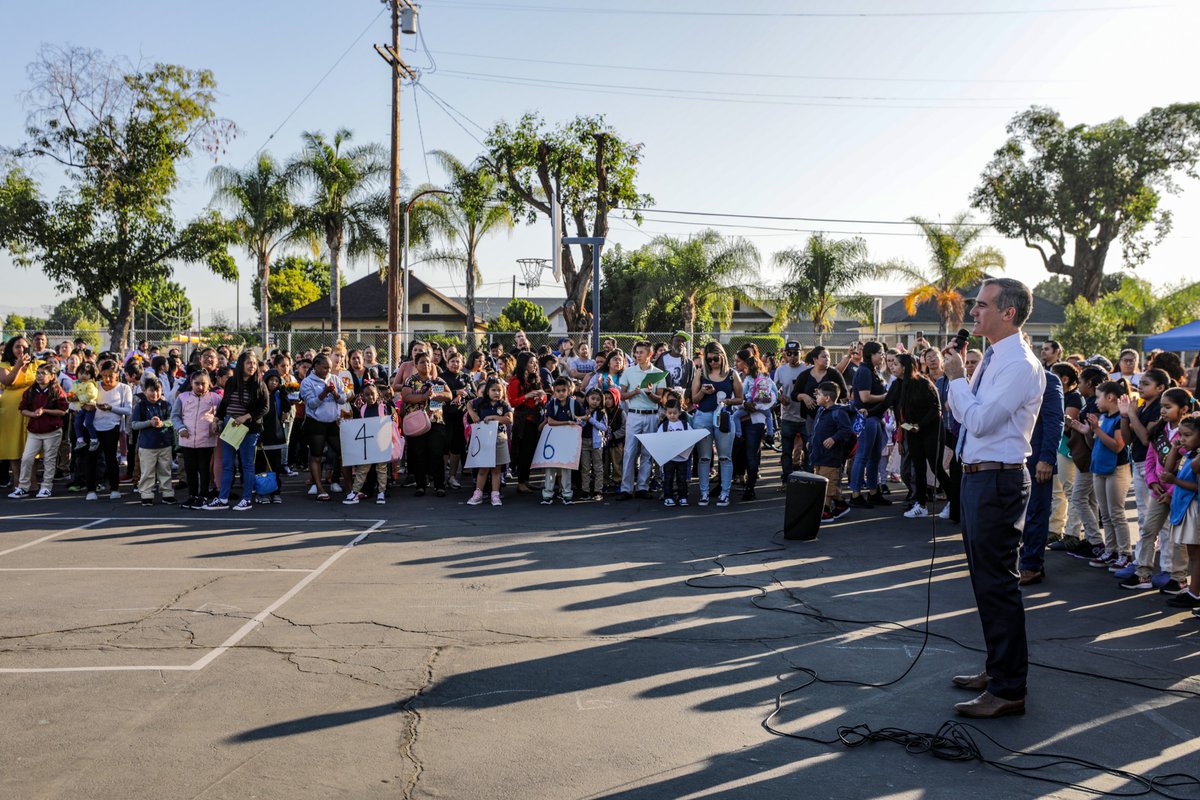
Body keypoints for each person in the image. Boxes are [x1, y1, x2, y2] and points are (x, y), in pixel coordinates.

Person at [943, 277, 1045, 719]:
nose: (972, 313)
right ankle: (997, 669)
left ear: (1008, 313)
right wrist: (961, 378)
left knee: (997, 584)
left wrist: (955, 380)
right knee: (985, 583)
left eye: (981, 305)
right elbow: (968, 418)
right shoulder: (994, 357)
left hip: (998, 481)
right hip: (979, 479)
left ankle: (1008, 688)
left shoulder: (1019, 363)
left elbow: (980, 421)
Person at [1122, 387, 1196, 593]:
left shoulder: (1189, 433)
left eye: (1168, 407)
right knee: (1148, 530)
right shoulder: (1158, 430)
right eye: (1162, 406)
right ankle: (1142, 573)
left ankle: (1178, 577)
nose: (1162, 411)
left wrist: (1170, 491)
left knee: (1178, 537)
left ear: (1183, 409)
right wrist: (1153, 482)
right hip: (1157, 491)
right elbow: (1150, 460)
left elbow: (1186, 468)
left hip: (1178, 494)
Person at [1016, 364, 1064, 585]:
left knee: (1035, 512)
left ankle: (1031, 565)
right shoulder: (1004, 375)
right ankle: (1021, 562)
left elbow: (1055, 422)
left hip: (1037, 460)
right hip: (1010, 456)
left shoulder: (1048, 380)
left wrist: (1047, 459)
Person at [207, 351, 268, 511]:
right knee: (227, 464)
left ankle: (246, 499)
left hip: (248, 428)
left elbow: (265, 408)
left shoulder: (259, 384)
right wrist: (216, 419)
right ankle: (223, 498)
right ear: (241, 364)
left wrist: (246, 416)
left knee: (247, 464)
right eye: (249, 363)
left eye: (254, 363)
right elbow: (225, 403)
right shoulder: (232, 382)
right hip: (230, 425)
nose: (252, 366)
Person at [690, 343, 743, 507]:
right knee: (704, 458)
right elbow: (694, 399)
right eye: (709, 359)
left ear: (722, 356)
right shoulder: (701, 372)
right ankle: (704, 493)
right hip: (703, 417)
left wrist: (727, 401)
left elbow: (741, 398)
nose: (712, 362)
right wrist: (703, 392)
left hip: (724, 417)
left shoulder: (732, 374)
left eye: (715, 358)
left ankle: (725, 493)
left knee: (725, 457)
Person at [618, 341, 668, 500]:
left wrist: (648, 393)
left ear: (649, 355)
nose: (637, 355)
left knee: (647, 453)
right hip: (634, 414)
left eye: (641, 352)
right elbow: (622, 395)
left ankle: (642, 487)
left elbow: (660, 399)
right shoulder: (628, 371)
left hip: (651, 414)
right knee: (629, 452)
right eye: (636, 352)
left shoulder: (658, 373)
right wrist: (635, 392)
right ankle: (626, 489)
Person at [9, 363, 68, 499]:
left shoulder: (57, 392)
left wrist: (45, 411)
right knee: (27, 458)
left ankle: (46, 487)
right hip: (34, 431)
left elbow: (62, 411)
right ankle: (23, 487)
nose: (39, 376)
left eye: (43, 373)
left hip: (52, 431)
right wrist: (32, 414)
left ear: (52, 376)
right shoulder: (30, 391)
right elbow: (22, 409)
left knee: (49, 460)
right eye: (38, 373)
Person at [1161, 416, 1200, 610]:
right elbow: (1167, 472)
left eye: (1188, 435)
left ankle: (1194, 593)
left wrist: (1175, 481)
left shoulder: (1197, 458)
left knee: (1196, 554)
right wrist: (1175, 450)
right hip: (1184, 506)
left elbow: (1196, 487)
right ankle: (1193, 591)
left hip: (1193, 507)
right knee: (1193, 553)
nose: (1183, 439)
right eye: (1181, 435)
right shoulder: (1189, 453)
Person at [847, 341, 891, 509]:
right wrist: (887, 397)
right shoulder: (864, 371)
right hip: (868, 419)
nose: (883, 356)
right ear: (871, 354)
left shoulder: (874, 371)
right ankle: (855, 494)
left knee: (875, 458)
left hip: (876, 419)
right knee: (863, 457)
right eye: (880, 353)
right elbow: (865, 398)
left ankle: (873, 492)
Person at [402, 351, 452, 497]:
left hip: (435, 421)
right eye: (422, 362)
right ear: (416, 365)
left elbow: (449, 396)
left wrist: (436, 395)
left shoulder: (437, 381)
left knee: (436, 453)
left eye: (428, 362)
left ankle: (439, 485)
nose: (426, 365)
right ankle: (420, 485)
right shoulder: (411, 381)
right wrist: (423, 397)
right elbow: (406, 397)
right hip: (417, 423)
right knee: (419, 454)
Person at [300, 354, 349, 501]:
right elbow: (312, 403)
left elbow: (343, 399)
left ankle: (350, 487)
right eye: (325, 367)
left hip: (333, 422)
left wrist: (334, 393)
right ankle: (319, 488)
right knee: (316, 456)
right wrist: (324, 392)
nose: (328, 370)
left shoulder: (335, 379)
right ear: (316, 367)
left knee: (343, 454)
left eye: (329, 367)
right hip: (316, 422)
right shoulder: (307, 382)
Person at [85, 361, 133, 502]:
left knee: (110, 458)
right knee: (91, 458)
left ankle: (114, 488)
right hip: (93, 428)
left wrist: (110, 408)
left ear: (117, 374)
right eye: (104, 375)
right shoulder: (94, 386)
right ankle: (91, 489)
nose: (107, 379)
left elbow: (128, 410)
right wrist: (87, 406)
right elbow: (81, 402)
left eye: (111, 375)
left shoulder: (124, 388)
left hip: (112, 427)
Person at [172, 369, 220, 508]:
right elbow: (175, 415)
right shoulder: (183, 397)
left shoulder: (215, 398)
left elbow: (221, 415)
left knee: (204, 469)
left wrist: (216, 424)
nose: (200, 387)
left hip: (206, 440)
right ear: (191, 383)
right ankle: (192, 495)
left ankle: (203, 496)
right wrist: (181, 428)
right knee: (190, 469)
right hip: (187, 439)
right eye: (196, 383)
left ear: (209, 384)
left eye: (203, 384)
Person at [736, 347, 777, 501]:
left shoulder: (747, 379)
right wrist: (764, 405)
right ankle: (749, 487)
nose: (737, 364)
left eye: (739, 361)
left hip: (749, 420)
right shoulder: (766, 378)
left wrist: (748, 404)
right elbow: (775, 395)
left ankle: (749, 487)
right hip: (758, 420)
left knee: (750, 455)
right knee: (750, 454)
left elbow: (740, 399)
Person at [809, 382, 853, 521]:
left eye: (819, 394)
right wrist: (811, 440)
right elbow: (816, 428)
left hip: (831, 456)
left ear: (827, 398)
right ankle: (841, 505)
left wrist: (834, 438)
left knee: (827, 485)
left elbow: (846, 430)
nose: (816, 397)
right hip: (819, 454)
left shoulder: (838, 412)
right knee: (827, 483)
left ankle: (825, 511)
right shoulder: (821, 411)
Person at [1, 336, 42, 482]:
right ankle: (17, 481)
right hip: (11, 409)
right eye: (17, 346)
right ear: (11, 349)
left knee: (32, 445)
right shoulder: (4, 364)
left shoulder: (36, 364)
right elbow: (7, 381)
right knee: (14, 444)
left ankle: (32, 481)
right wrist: (18, 365)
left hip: (32, 407)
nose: (21, 349)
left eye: (24, 347)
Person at [342, 381, 390, 506]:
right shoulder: (362, 409)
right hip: (367, 444)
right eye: (367, 395)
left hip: (381, 443)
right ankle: (355, 491)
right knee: (362, 469)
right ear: (362, 396)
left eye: (372, 394)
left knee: (381, 469)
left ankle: (381, 492)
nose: (370, 397)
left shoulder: (382, 407)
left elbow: (387, 424)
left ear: (377, 394)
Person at [466, 379, 513, 507]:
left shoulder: (503, 405)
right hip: (483, 438)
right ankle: (478, 493)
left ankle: (495, 494)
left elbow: (509, 419)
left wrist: (494, 418)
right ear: (487, 391)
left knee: (497, 469)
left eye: (499, 390)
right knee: (483, 468)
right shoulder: (480, 402)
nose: (496, 393)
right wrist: (472, 414)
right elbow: (469, 404)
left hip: (499, 438)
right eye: (493, 390)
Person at [131, 377, 176, 506]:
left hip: (164, 444)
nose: (154, 394)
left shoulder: (166, 405)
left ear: (161, 391)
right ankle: (146, 494)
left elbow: (172, 421)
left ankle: (167, 493)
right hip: (147, 446)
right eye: (151, 390)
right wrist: (149, 423)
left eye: (157, 390)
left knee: (165, 470)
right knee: (147, 471)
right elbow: (134, 424)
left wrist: (162, 423)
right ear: (145, 391)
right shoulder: (141, 406)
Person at [540, 377, 585, 505]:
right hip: (554, 440)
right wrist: (567, 422)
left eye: (563, 390)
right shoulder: (552, 404)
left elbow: (582, 416)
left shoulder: (574, 403)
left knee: (566, 467)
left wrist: (582, 418)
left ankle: (567, 494)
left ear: (569, 390)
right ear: (554, 391)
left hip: (568, 440)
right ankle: (547, 494)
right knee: (551, 467)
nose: (560, 393)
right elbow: (550, 421)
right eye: (558, 390)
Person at [507, 351, 547, 494]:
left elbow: (544, 397)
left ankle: (526, 480)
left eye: (535, 362)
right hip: (523, 421)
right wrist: (527, 396)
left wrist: (540, 398)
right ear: (523, 364)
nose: (534, 365)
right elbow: (512, 401)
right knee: (523, 453)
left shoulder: (534, 378)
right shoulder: (516, 381)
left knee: (530, 452)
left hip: (536, 420)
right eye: (531, 362)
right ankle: (520, 482)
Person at [774, 341, 808, 483]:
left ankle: (807, 476)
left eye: (796, 353)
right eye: (789, 354)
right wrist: (780, 397)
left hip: (805, 417)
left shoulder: (807, 369)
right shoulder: (780, 371)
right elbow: (773, 389)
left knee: (808, 449)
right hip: (788, 416)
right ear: (785, 354)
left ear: (801, 353)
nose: (793, 356)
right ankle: (787, 477)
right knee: (786, 450)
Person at [259, 369, 291, 504]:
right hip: (262, 433)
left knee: (275, 466)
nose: (273, 383)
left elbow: (287, 408)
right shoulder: (259, 394)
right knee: (260, 466)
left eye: (276, 381)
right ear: (265, 380)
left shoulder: (278, 395)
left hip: (276, 435)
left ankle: (275, 492)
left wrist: (284, 394)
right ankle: (262, 493)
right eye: (271, 380)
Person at [658, 396, 695, 507]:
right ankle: (668, 497)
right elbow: (658, 439)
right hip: (669, 458)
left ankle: (683, 497)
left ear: (679, 412)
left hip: (682, 458)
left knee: (682, 479)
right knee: (668, 478)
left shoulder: (685, 425)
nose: (672, 415)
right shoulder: (663, 426)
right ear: (666, 413)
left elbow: (691, 437)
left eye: (675, 413)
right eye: (670, 413)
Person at [579, 388, 608, 501]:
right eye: (593, 398)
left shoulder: (601, 413)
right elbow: (579, 423)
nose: (595, 401)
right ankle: (585, 490)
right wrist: (583, 420)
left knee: (598, 467)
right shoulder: (582, 410)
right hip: (584, 441)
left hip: (597, 442)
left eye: (598, 399)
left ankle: (598, 491)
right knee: (585, 468)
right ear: (587, 398)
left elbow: (604, 427)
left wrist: (590, 419)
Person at [654, 331, 694, 395]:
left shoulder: (689, 363)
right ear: (671, 342)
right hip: (664, 400)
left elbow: (692, 385)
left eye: (683, 341)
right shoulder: (662, 359)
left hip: (683, 401)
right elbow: (655, 380)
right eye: (678, 340)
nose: (681, 343)